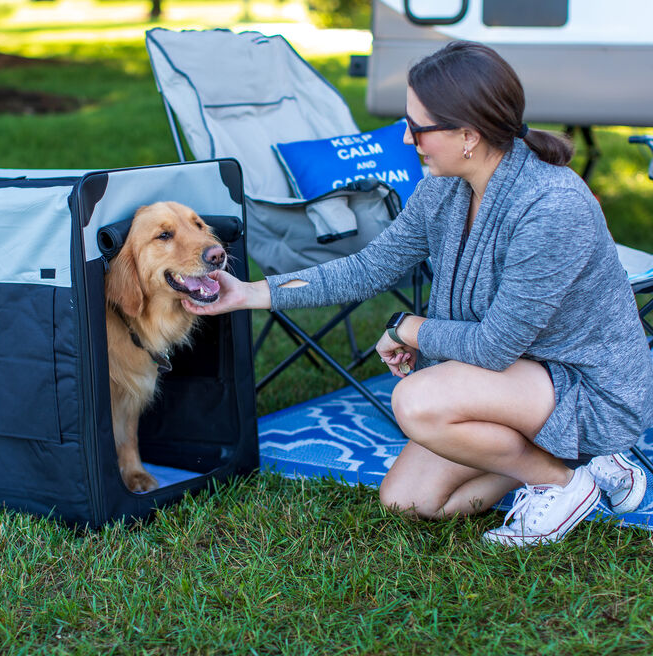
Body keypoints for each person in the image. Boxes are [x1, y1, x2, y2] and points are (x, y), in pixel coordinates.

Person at [183, 41, 653, 547]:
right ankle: (571, 458)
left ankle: (563, 482)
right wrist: (248, 292)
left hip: (586, 386)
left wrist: (405, 327)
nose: (407, 139)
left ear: (469, 134)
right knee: (410, 500)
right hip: (513, 379)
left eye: (419, 126)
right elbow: (368, 269)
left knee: (417, 400)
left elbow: (493, 347)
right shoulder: (444, 187)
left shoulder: (551, 205)